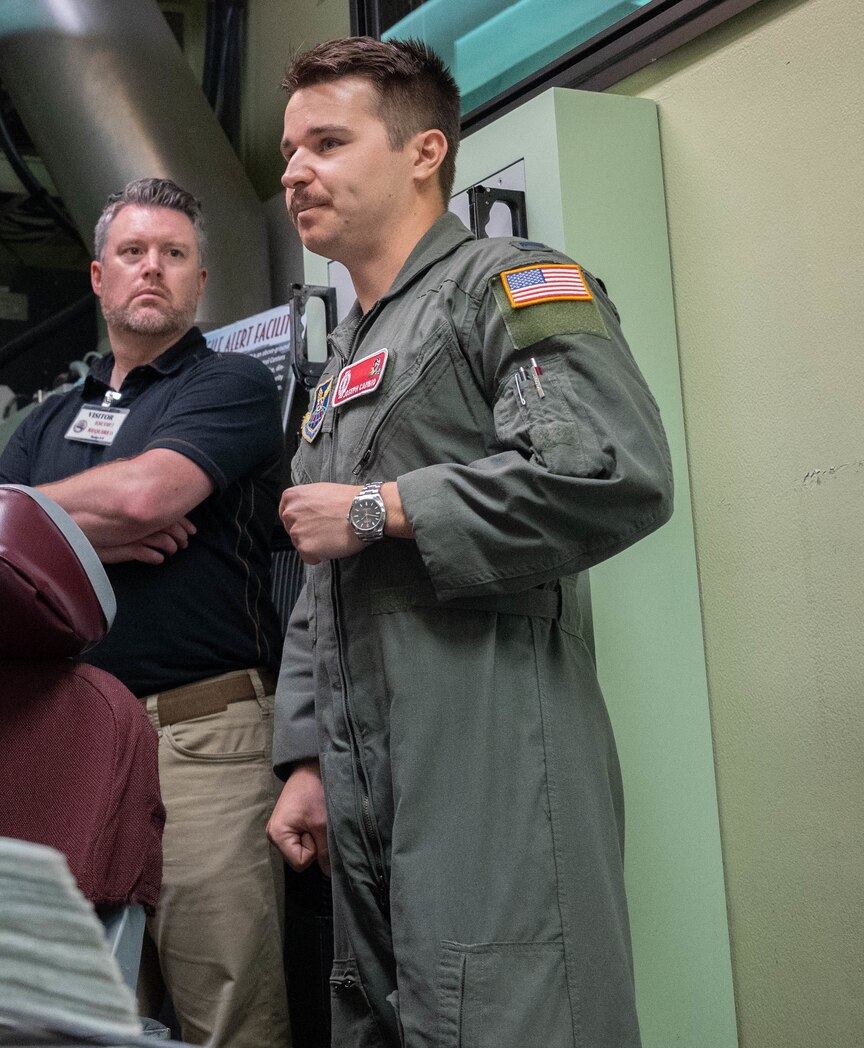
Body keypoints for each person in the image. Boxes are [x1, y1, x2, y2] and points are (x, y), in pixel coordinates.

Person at [266, 38, 672, 1048]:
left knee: (505, 1006)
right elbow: (322, 584)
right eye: (287, 149)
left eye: (325, 140)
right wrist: (305, 754)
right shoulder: (346, 356)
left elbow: (608, 471)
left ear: (421, 151)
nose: (291, 171)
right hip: (367, 772)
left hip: (487, 749)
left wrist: (376, 507)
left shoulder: (511, 284)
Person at [0, 177, 288, 1047]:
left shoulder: (230, 386)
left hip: (205, 738)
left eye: (174, 254)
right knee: (86, 1016)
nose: (151, 268)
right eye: (132, 252)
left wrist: (43, 523)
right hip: (71, 746)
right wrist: (91, 536)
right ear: (97, 276)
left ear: (201, 282)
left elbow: (149, 494)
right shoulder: (48, 419)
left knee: (229, 1014)